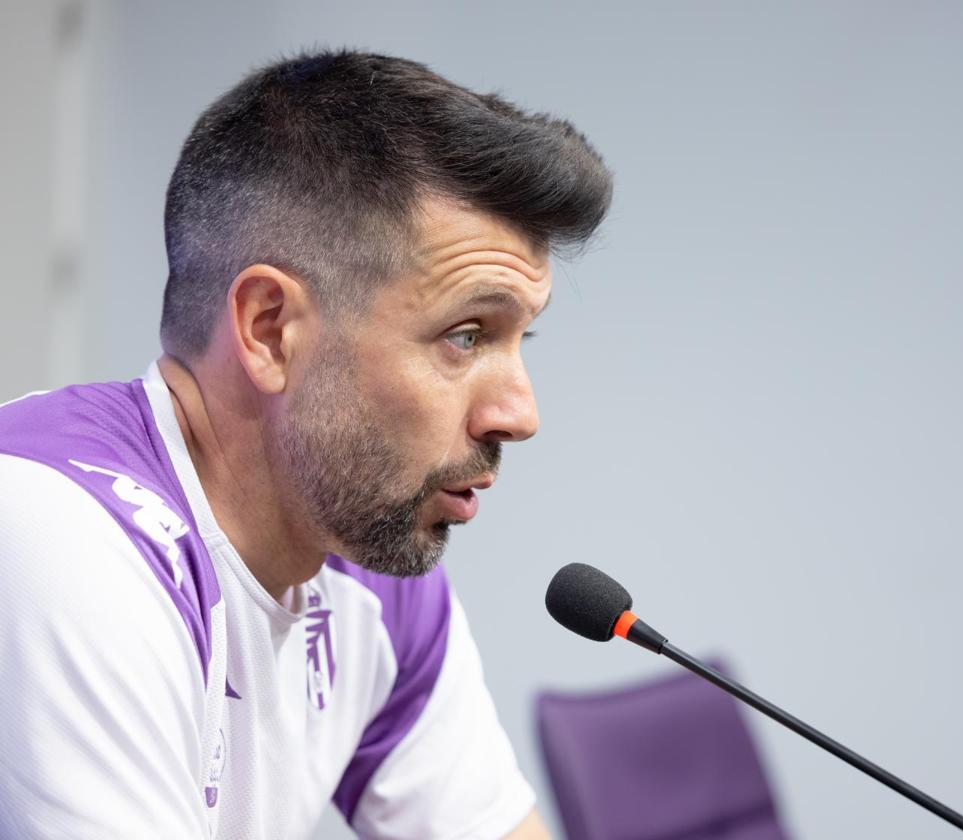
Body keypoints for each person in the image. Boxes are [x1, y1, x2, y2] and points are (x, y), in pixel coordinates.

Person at [0, 49, 612, 839]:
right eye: (466, 334)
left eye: (521, 338)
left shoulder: (366, 560)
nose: (518, 413)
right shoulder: (57, 528)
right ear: (269, 330)